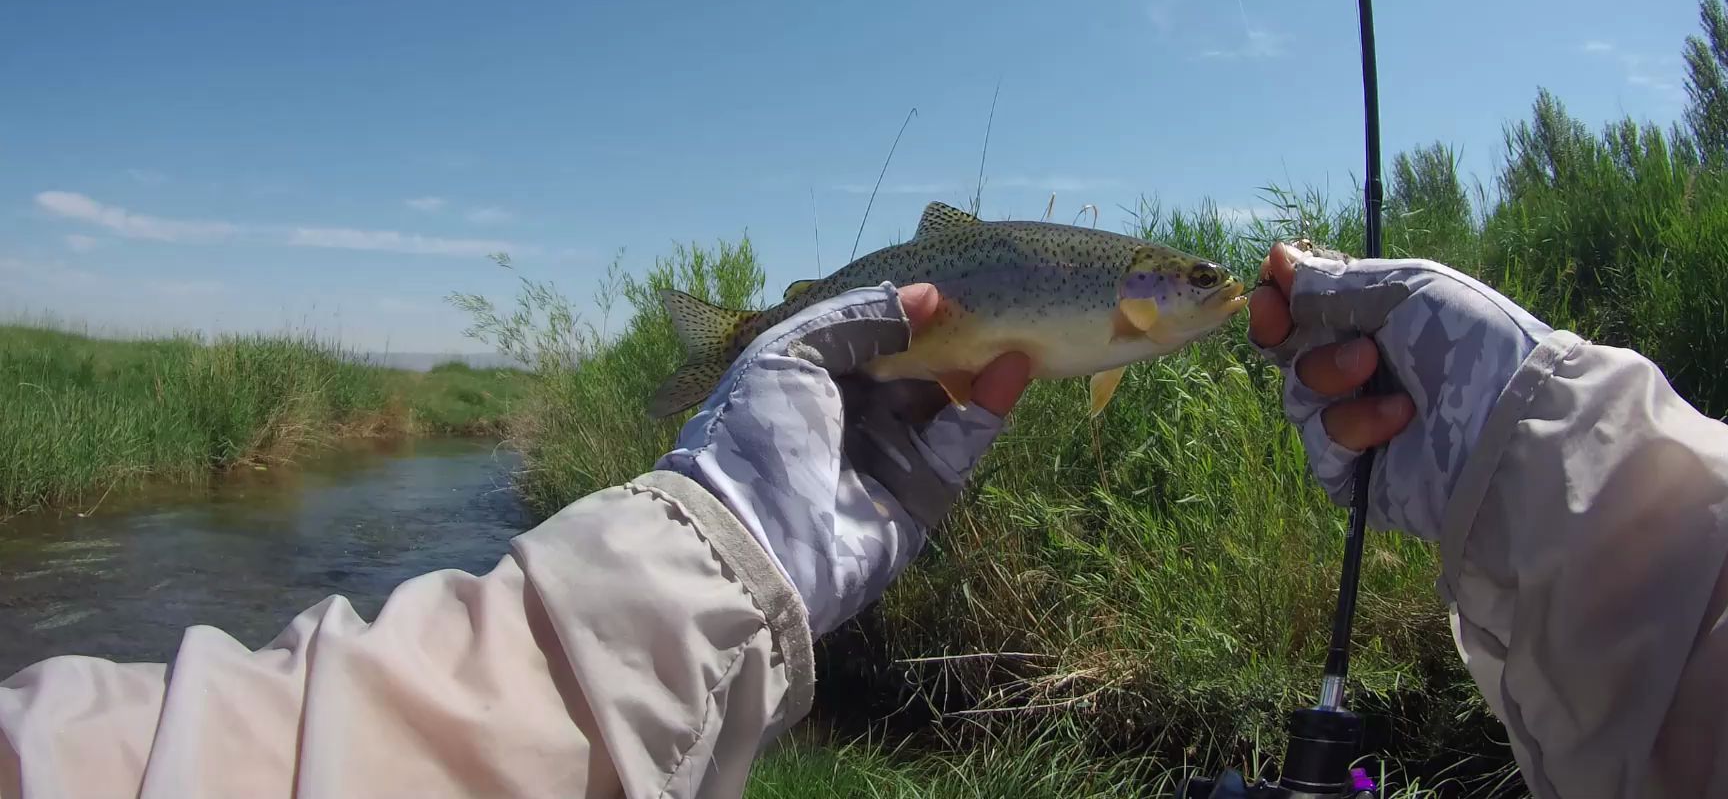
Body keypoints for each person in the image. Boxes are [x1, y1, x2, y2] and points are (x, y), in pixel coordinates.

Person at [2, 243, 1725, 799]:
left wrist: (1525, 455)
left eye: (1195, 289)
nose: (1204, 298)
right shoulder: (1121, 309)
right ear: (1153, 295)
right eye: (1190, 285)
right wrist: (1548, 467)